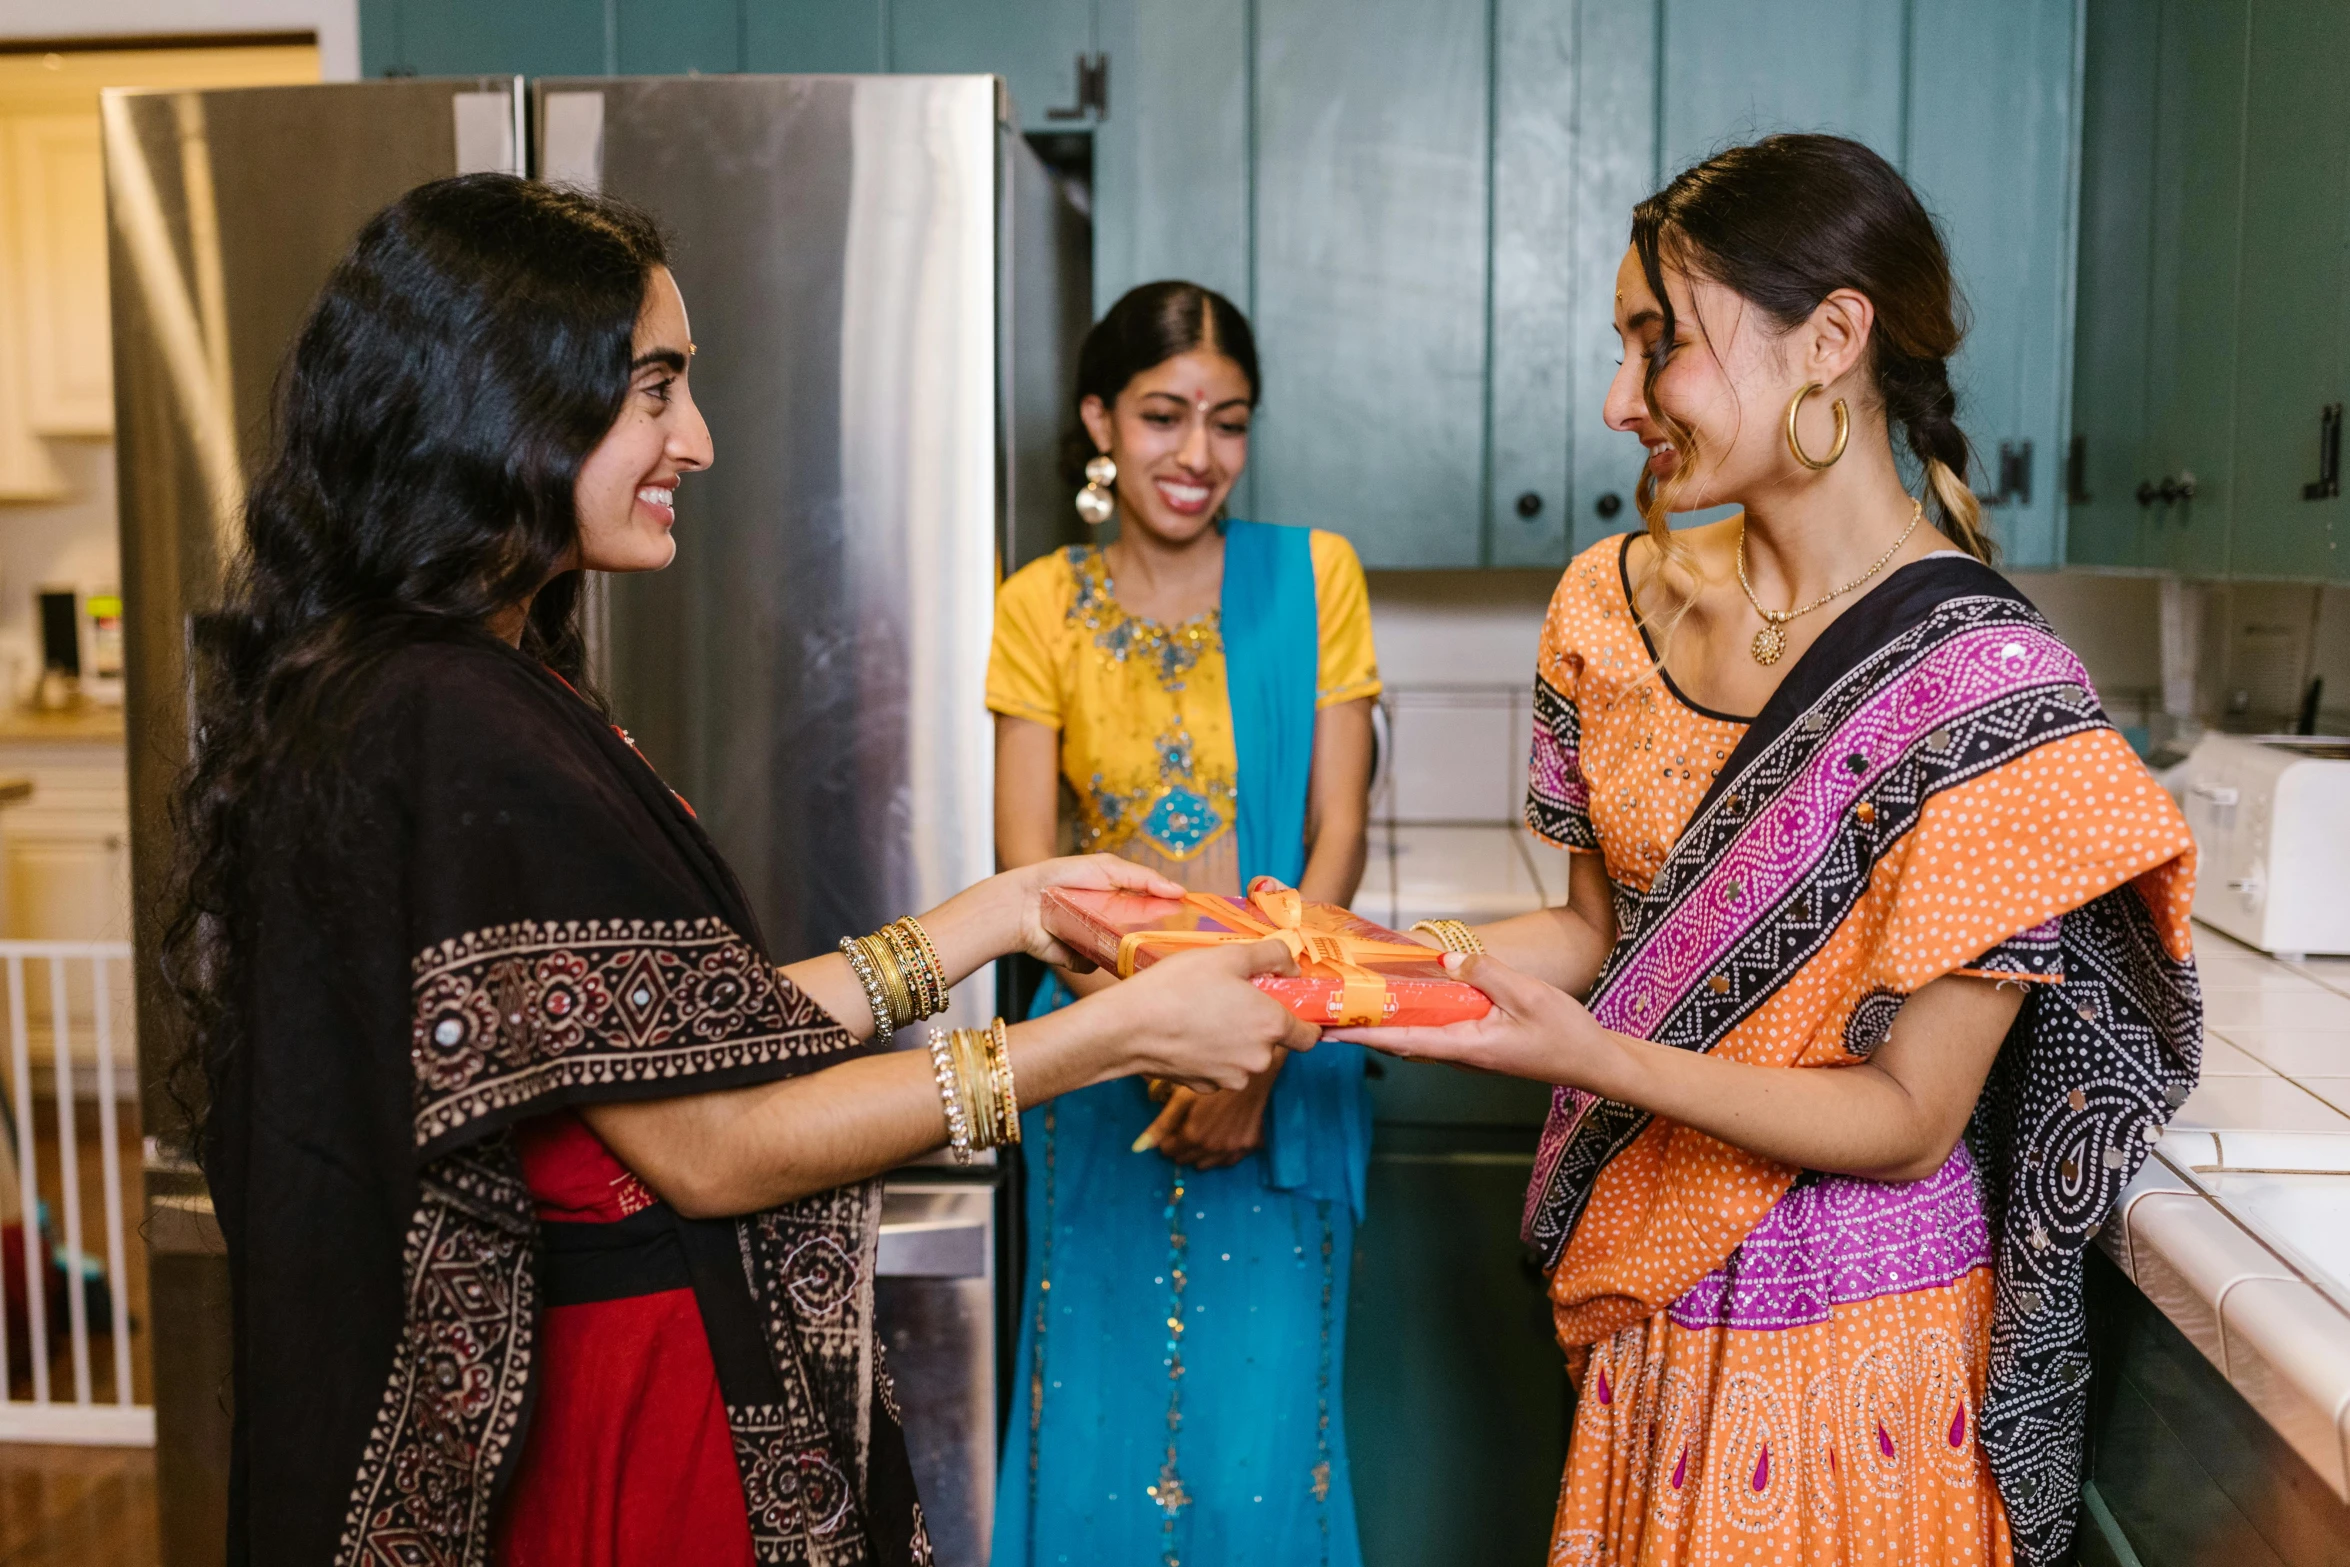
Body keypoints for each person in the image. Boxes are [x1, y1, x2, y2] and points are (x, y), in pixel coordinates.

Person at [163, 176, 1320, 1567]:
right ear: (506, 397)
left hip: (619, 1380)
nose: (695, 441)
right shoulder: (454, 714)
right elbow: (707, 1143)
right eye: (655, 388)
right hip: (618, 1431)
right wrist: (1105, 1032)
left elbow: (675, 1034)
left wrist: (1003, 908)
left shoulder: (456, 681)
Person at [1347, 136, 2201, 1567]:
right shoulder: (1604, 613)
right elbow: (1597, 930)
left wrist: (1592, 1055)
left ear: (1832, 336)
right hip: (1646, 1321)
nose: (1620, 401)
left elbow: (1906, 1116)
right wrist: (1374, 972)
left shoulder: (1992, 691)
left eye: (1654, 343)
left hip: (1861, 1356)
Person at [987, 280, 1380, 1566]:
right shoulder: (1037, 603)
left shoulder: (1310, 578)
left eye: (1228, 422)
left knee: (1266, 1450)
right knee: (1094, 1437)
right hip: (1096, 1064)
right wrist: (1154, 1029)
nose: (1197, 456)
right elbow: (1027, 868)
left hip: (1291, 1050)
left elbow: (1335, 838)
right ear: (1101, 417)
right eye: (1163, 416)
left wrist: (1256, 1043)